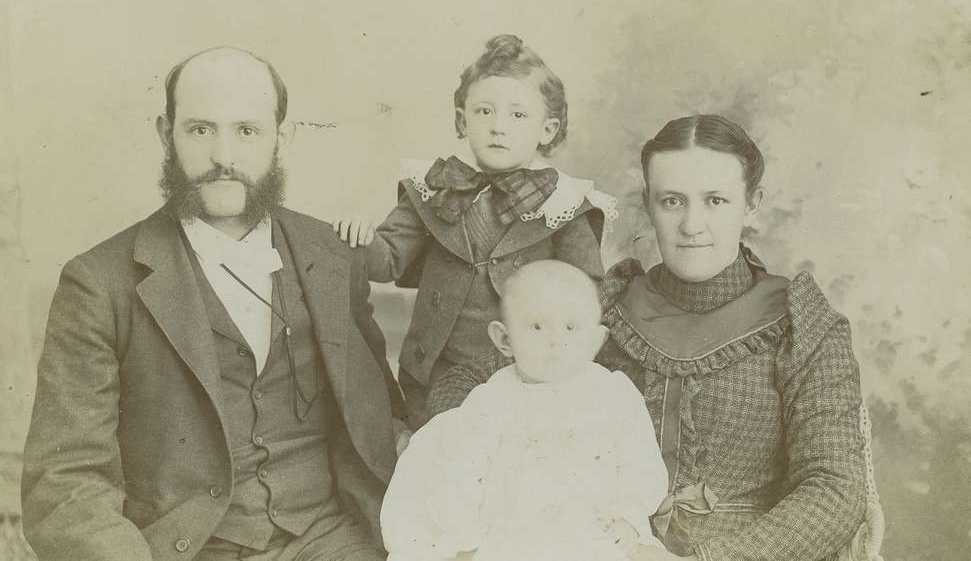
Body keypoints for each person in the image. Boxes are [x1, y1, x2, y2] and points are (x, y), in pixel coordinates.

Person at [21, 47, 405, 561]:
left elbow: (384, 414)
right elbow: (65, 481)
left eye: (247, 131)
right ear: (166, 134)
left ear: (281, 137)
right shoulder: (98, 282)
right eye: (201, 130)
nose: (224, 154)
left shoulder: (332, 256)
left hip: (334, 538)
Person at [428, 114, 870, 560]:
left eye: (715, 200)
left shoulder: (799, 322)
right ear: (648, 202)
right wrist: (509, 465)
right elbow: (466, 380)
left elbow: (835, 488)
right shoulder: (602, 307)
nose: (692, 225)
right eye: (672, 201)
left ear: (752, 203)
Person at [335, 34, 616, 429]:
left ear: (547, 129)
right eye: (484, 111)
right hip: (434, 371)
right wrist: (361, 239)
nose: (498, 127)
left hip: (526, 373)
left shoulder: (563, 206)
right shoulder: (434, 187)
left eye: (517, 115)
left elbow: (585, 294)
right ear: (462, 121)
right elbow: (387, 260)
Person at [381, 260, 669, 561]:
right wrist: (464, 538)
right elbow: (456, 472)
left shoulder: (613, 395)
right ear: (504, 340)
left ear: (595, 341)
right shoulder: (491, 402)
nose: (556, 341)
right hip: (513, 538)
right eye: (537, 326)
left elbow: (641, 464)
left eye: (571, 327)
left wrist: (629, 516)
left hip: (596, 534)